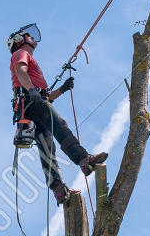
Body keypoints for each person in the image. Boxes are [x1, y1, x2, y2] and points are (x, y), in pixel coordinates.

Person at [7, 23, 108, 205]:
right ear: (19, 40)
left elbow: (45, 98)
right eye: (28, 35)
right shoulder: (20, 54)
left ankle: (58, 189)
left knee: (47, 148)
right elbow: (20, 72)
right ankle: (83, 159)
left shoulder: (30, 63)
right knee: (59, 125)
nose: (31, 38)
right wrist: (31, 89)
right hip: (30, 102)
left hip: (32, 105)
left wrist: (62, 89)